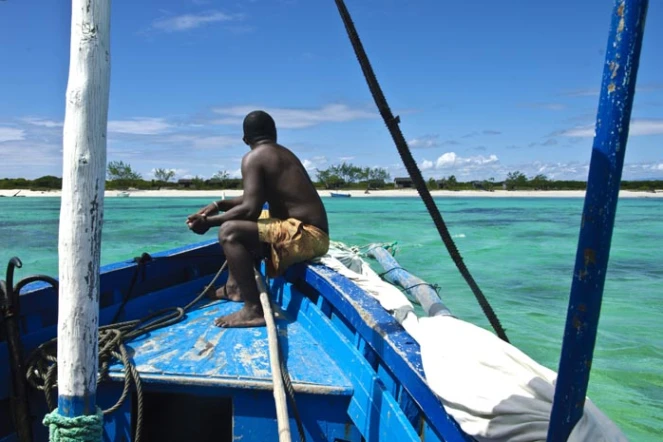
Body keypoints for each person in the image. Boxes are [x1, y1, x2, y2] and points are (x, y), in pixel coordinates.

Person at [186, 110, 330, 328]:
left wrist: (208, 222)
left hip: (307, 236)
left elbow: (250, 209)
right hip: (311, 233)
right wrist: (219, 205)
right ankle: (234, 288)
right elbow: (252, 199)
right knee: (246, 223)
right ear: (274, 133)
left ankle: (254, 310)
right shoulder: (281, 153)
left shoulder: (253, 157)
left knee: (230, 231)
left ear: (245, 140)